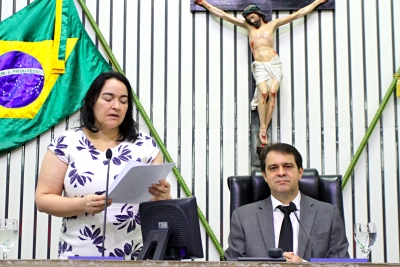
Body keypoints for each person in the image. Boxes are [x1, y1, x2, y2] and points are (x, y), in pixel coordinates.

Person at [35, 71, 172, 259]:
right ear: (92, 102)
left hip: (134, 256)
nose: (116, 106)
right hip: (78, 256)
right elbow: (43, 199)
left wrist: (164, 197)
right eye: (108, 98)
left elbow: (159, 207)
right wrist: (82, 204)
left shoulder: (145, 146)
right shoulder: (66, 142)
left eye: (123, 101)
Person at [194, 0, 327, 144]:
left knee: (273, 92)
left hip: (274, 63)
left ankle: (264, 126)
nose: (251, 20)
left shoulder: (272, 25)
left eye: (252, 17)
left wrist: (318, 2)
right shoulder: (247, 27)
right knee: (264, 92)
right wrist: (204, 3)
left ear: (258, 14)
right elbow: (223, 15)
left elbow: (298, 13)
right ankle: (263, 127)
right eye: (249, 18)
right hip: (260, 65)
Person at [224, 143, 349, 261]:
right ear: (265, 176)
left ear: (300, 173)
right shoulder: (243, 218)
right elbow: (232, 264)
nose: (281, 172)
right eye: (273, 168)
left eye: (287, 166)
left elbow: (342, 264)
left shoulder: (329, 215)